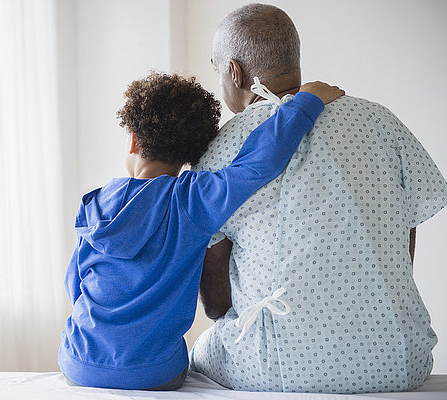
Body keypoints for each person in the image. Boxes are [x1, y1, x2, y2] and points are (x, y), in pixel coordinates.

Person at [189, 3, 447, 394]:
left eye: (217, 70)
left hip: (273, 367)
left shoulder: (221, 147)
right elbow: (403, 241)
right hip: (400, 361)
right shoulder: (381, 120)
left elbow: (216, 302)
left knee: (199, 350)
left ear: (234, 71)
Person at [58, 71, 343, 390]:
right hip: (155, 374)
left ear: (134, 140)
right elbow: (257, 163)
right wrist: (308, 101)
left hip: (78, 364)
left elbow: (75, 285)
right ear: (191, 152)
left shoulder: (93, 204)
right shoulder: (192, 199)